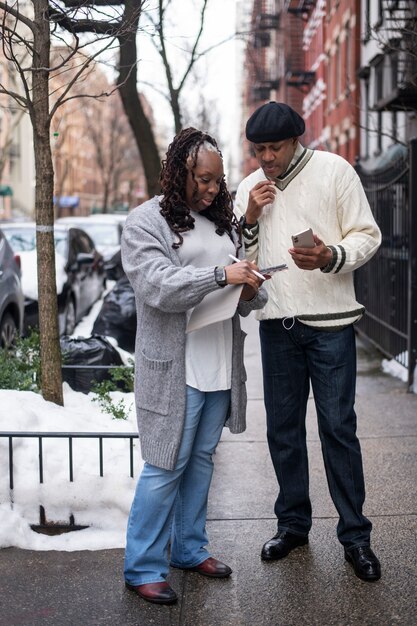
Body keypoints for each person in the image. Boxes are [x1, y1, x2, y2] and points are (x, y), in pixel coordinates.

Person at [234, 101, 382, 582]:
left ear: (296, 139)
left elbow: (368, 234)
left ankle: (355, 537)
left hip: (332, 323)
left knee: (338, 429)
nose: (267, 157)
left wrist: (330, 255)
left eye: (274, 147)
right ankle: (293, 525)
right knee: (283, 431)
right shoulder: (248, 190)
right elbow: (244, 261)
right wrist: (251, 218)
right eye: (259, 149)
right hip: (277, 326)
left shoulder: (335, 171)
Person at [121, 127, 268, 605]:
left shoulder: (222, 224)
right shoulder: (147, 222)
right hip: (174, 369)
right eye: (202, 179)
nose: (210, 189)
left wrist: (249, 286)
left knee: (201, 461)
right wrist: (221, 274)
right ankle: (142, 566)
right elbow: (157, 286)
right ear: (179, 171)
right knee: (165, 465)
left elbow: (246, 292)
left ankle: (188, 548)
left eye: (217, 181)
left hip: (218, 364)